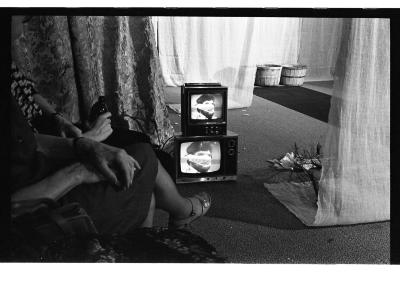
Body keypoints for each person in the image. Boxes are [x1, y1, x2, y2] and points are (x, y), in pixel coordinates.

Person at [10, 16, 211, 234]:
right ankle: (181, 210)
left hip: (40, 160)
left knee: (140, 168)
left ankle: (156, 231)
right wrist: (79, 167)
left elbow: (27, 95)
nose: (22, 29)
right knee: (143, 157)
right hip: (39, 205)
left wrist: (70, 131)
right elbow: (14, 207)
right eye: (19, 18)